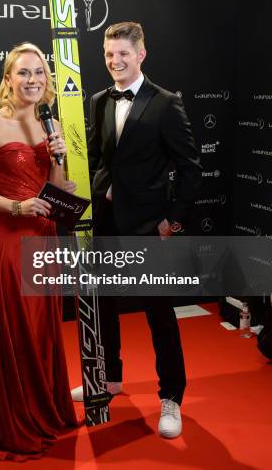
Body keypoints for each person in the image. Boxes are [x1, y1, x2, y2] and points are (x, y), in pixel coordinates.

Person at [71, 22, 202, 439]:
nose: (115, 61)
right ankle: (109, 381)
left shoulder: (165, 103)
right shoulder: (97, 100)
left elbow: (191, 169)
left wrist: (172, 219)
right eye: (109, 54)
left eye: (123, 54)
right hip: (105, 223)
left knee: (159, 315)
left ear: (141, 54)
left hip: (148, 228)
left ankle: (171, 397)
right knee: (104, 307)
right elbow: (97, 157)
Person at [0, 42, 77, 461]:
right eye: (23, 73)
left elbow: (57, 186)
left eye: (39, 72)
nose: (33, 80)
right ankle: (11, 417)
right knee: (16, 329)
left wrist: (62, 170)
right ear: (8, 79)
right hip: (6, 241)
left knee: (42, 328)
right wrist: (15, 206)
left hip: (44, 240)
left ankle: (43, 406)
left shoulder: (52, 123)